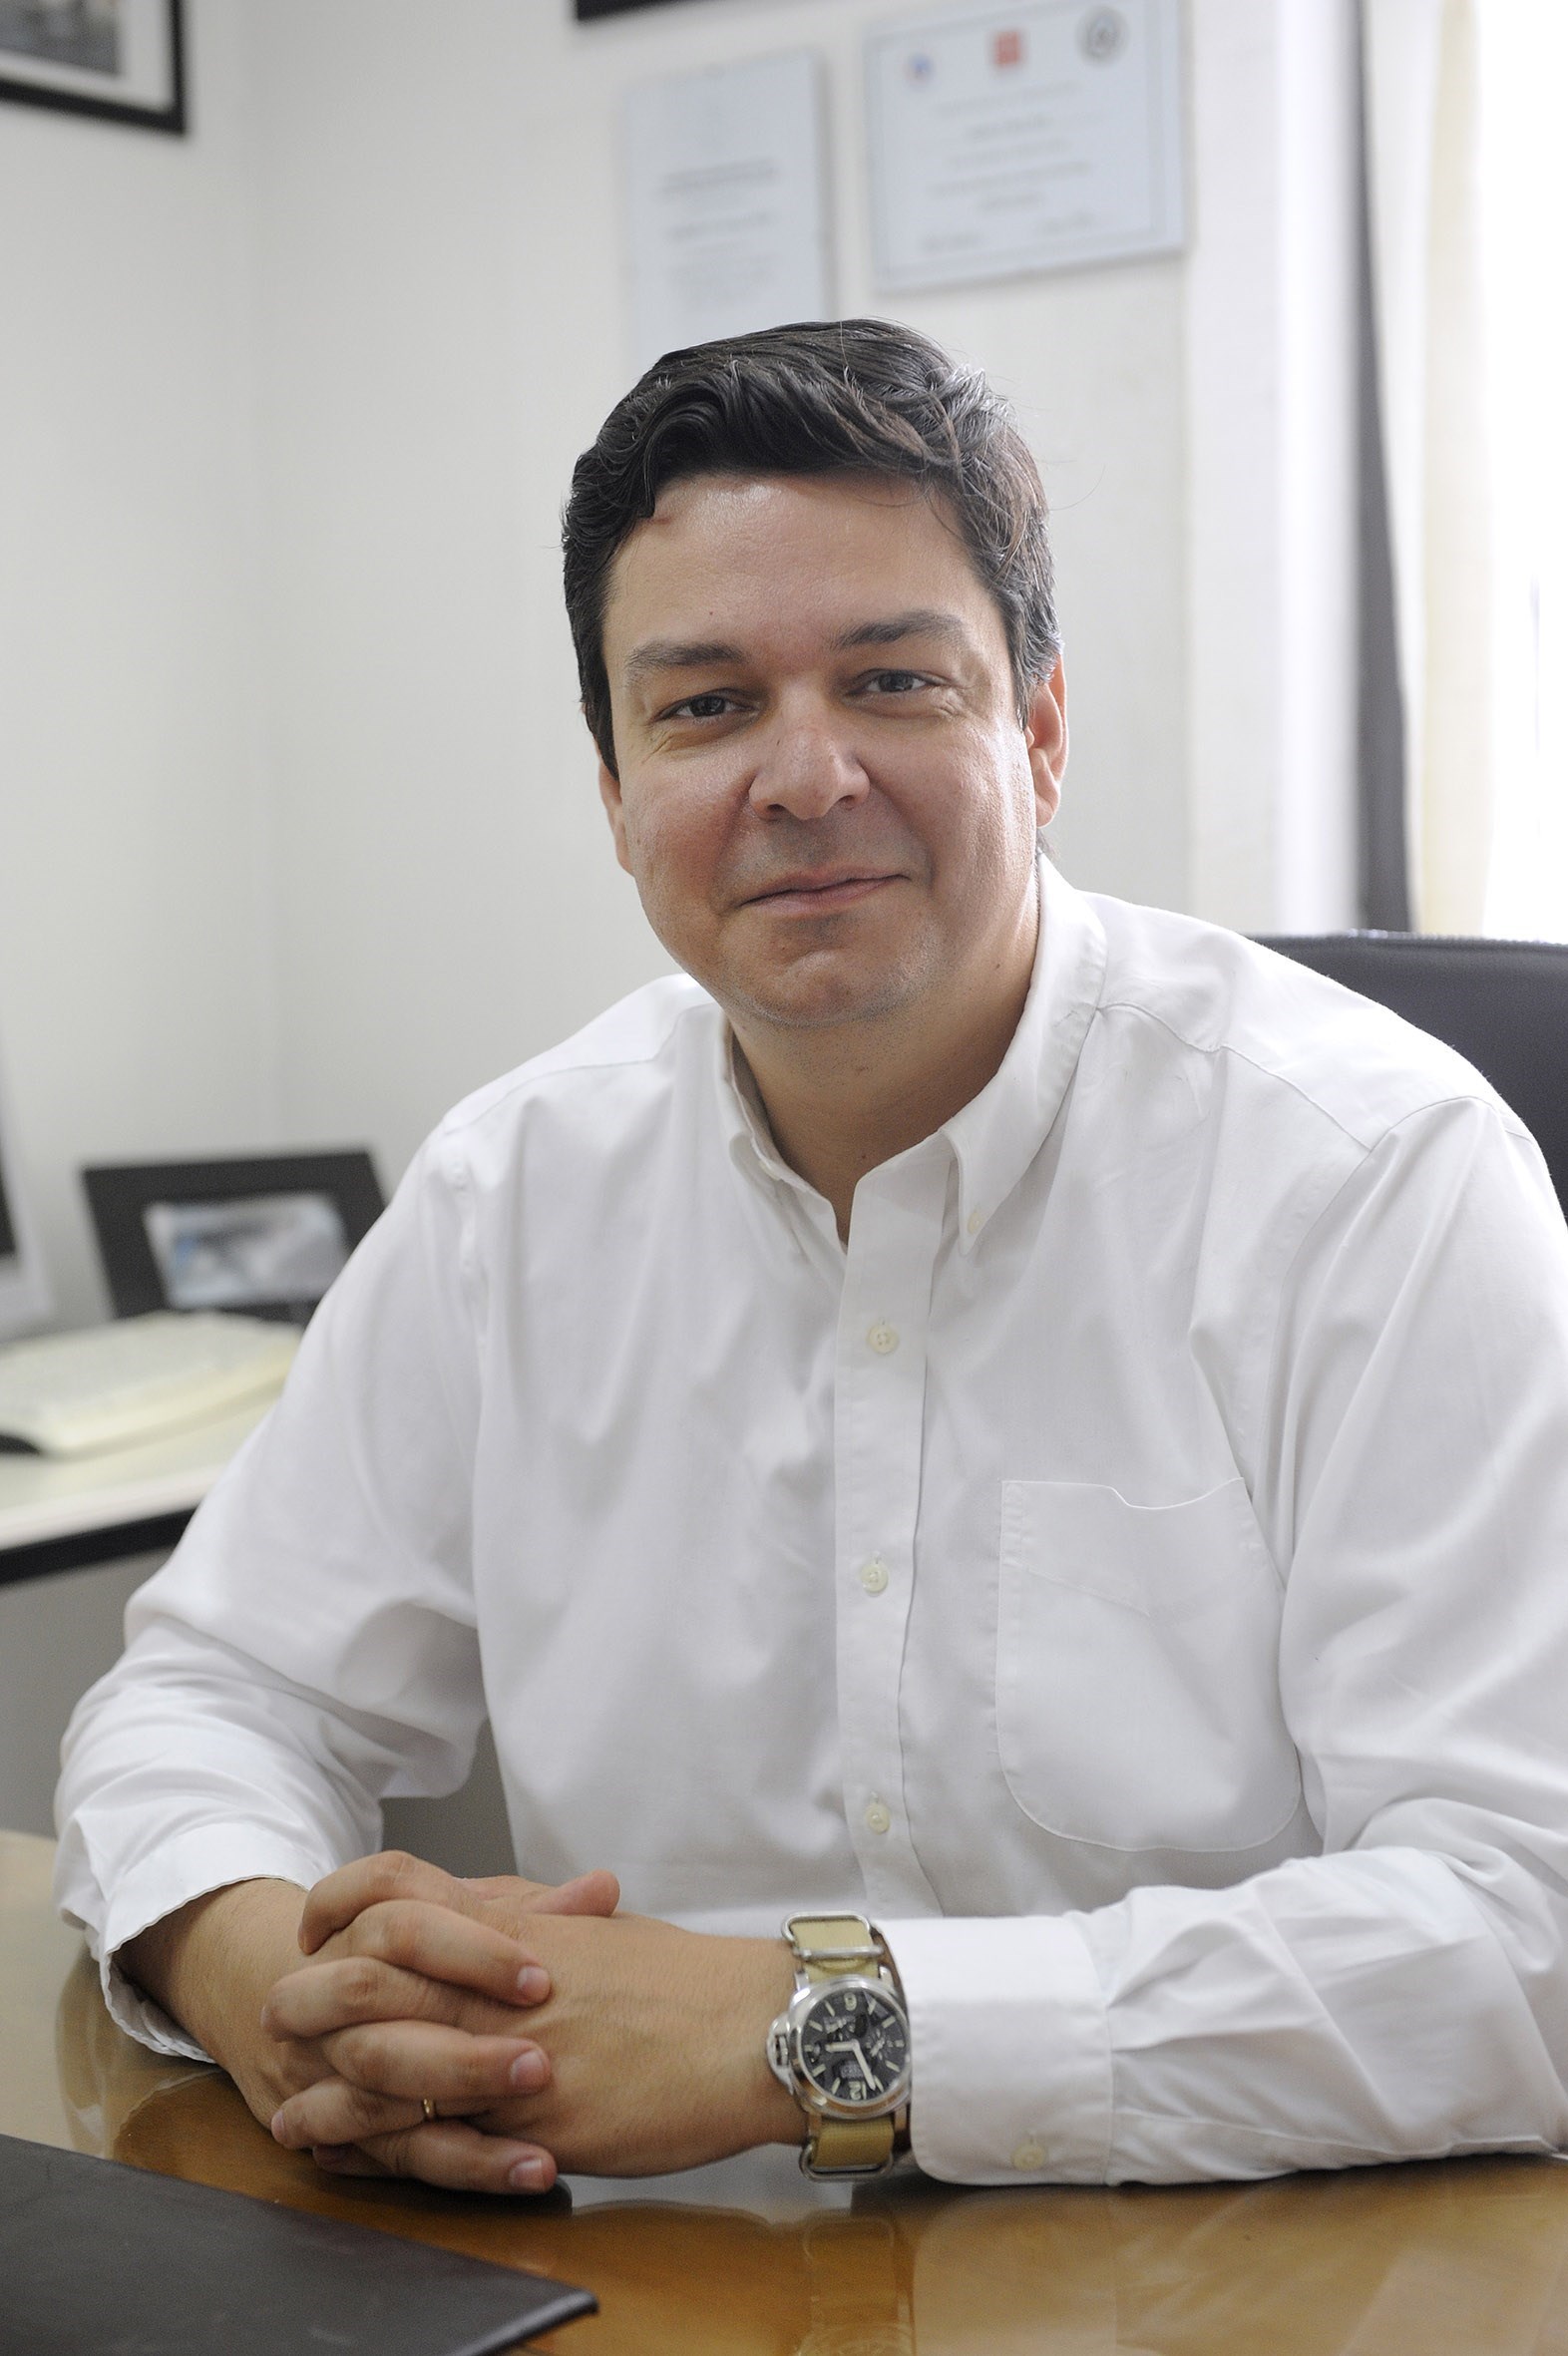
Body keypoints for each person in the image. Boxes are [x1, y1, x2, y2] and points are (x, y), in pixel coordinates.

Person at [57, 320, 1568, 2197]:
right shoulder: (513, 1191)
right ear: (616, 792)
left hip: (1241, 2267)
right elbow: (210, 1699)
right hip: (659, 2275)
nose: (803, 774)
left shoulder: (1375, 1178)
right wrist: (278, 1984)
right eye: (703, 707)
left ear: (1039, 730)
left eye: (892, 680)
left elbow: (1529, 1925)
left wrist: (808, 2028)